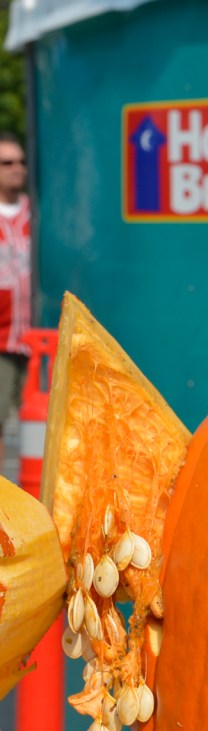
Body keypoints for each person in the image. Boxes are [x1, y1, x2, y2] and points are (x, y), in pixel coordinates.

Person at [0, 132, 30, 476]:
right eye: (7, 163)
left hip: (37, 336)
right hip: (2, 338)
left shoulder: (37, 213)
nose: (16, 168)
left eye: (21, 161)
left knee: (40, 426)